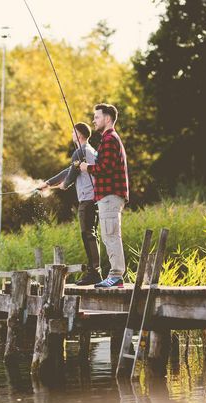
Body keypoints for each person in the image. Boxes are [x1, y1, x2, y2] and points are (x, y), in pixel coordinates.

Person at [38, 122, 102, 285]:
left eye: (73, 132)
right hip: (94, 199)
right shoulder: (90, 151)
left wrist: (62, 185)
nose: (72, 135)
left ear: (79, 135)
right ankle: (95, 272)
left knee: (88, 235)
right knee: (91, 235)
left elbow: (70, 178)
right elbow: (69, 171)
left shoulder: (79, 152)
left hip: (87, 200)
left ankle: (94, 273)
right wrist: (48, 183)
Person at [80, 103, 129, 288]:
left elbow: (104, 168)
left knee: (110, 235)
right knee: (110, 234)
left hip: (109, 195)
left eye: (97, 117)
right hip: (108, 196)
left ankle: (116, 275)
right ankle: (115, 275)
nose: (94, 120)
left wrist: (87, 168)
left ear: (107, 118)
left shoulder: (110, 139)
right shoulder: (109, 139)